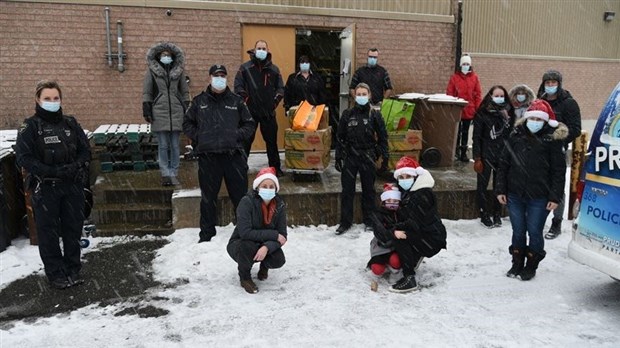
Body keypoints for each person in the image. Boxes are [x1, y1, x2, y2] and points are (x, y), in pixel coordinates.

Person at [15, 80, 91, 289]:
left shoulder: (70, 123)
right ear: (38, 100)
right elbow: (23, 158)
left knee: (73, 229)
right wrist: (51, 171)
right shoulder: (30, 127)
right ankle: (55, 273)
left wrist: (76, 166)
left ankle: (73, 269)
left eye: (55, 98)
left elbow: (85, 151)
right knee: (48, 233)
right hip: (46, 187)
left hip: (72, 186)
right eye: (47, 98)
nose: (52, 102)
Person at [183, 64, 256, 243]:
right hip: (208, 158)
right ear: (210, 78)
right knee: (208, 199)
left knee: (241, 199)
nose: (220, 78)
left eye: (223, 75)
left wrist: (235, 136)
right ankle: (206, 235)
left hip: (233, 158)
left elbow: (249, 124)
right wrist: (199, 137)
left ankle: (244, 232)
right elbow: (187, 123)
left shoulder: (236, 101)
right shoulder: (199, 102)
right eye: (216, 75)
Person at [496, 99, 568, 280]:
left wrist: (555, 196)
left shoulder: (552, 140)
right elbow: (504, 164)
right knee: (518, 230)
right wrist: (500, 189)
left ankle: (531, 264)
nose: (534, 122)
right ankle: (517, 262)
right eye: (532, 118)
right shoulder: (515, 136)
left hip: (540, 196)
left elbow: (558, 172)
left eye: (539, 119)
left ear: (545, 121)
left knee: (534, 231)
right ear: (526, 119)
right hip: (515, 194)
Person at [335, 83, 388, 235]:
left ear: (370, 95)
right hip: (351, 156)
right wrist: (338, 157)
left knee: (369, 190)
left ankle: (370, 220)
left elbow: (383, 137)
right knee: (347, 191)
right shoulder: (347, 114)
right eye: (359, 94)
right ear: (354, 95)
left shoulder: (375, 114)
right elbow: (340, 137)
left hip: (368, 156)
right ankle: (345, 222)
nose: (361, 97)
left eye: (364, 94)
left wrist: (383, 156)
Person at [389, 156, 447, 292]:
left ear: (415, 177)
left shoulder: (422, 195)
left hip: (432, 238)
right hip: (425, 234)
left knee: (399, 236)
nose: (404, 180)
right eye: (401, 177)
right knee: (399, 233)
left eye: (407, 176)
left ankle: (410, 278)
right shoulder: (409, 193)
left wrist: (394, 229)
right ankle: (413, 257)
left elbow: (414, 223)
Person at [536, 69, 581, 239]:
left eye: (553, 83)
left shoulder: (569, 103)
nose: (550, 86)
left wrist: (558, 138)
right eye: (548, 83)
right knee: (539, 184)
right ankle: (538, 218)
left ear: (559, 84)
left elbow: (575, 128)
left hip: (557, 150)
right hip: (539, 151)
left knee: (557, 187)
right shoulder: (539, 101)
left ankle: (557, 222)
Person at [227, 167, 287, 294]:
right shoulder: (246, 202)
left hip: (264, 243)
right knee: (247, 246)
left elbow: (283, 236)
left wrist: (266, 247)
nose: (268, 189)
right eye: (264, 186)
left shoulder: (280, 205)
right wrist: (274, 235)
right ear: (257, 187)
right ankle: (245, 277)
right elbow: (245, 233)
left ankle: (264, 266)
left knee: (278, 259)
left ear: (276, 189)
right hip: (241, 242)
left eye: (272, 187)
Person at [234, 40, 285, 176]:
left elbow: (280, 88)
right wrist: (247, 100)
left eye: (264, 48)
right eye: (259, 48)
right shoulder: (245, 68)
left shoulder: (274, 69)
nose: (261, 50)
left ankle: (276, 169)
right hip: (250, 113)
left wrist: (274, 102)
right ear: (254, 50)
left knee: (271, 142)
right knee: (245, 141)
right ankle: (240, 167)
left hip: (268, 113)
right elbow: (238, 86)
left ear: (267, 51)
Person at [142, 42, 190, 186]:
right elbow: (147, 92)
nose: (166, 57)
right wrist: (147, 108)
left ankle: (174, 173)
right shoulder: (152, 71)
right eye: (163, 55)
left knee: (175, 145)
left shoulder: (179, 71)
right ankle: (165, 173)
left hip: (176, 111)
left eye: (168, 55)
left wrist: (187, 106)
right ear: (158, 56)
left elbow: (184, 91)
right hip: (159, 112)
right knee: (163, 145)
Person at [472, 85, 514, 228]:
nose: (499, 98)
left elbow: (511, 136)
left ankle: (497, 213)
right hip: (486, 154)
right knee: (482, 186)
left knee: (499, 186)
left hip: (502, 155)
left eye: (502, 95)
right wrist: (477, 157)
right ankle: (484, 213)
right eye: (496, 95)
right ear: (490, 96)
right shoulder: (482, 113)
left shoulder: (509, 112)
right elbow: (476, 136)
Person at [446, 54, 482, 162]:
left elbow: (478, 94)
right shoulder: (455, 78)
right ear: (461, 65)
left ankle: (463, 152)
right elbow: (450, 93)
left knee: (465, 132)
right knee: (457, 132)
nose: (466, 66)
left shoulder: (474, 78)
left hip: (469, 110)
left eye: (467, 64)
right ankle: (456, 151)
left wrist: (477, 109)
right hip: (457, 109)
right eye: (464, 64)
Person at [367, 184, 402, 278]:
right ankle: (384, 265)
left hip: (396, 246)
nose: (392, 203)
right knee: (377, 269)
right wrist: (394, 232)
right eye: (388, 201)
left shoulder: (401, 213)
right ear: (383, 201)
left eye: (395, 201)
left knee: (396, 261)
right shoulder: (377, 214)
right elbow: (381, 234)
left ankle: (393, 266)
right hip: (381, 245)